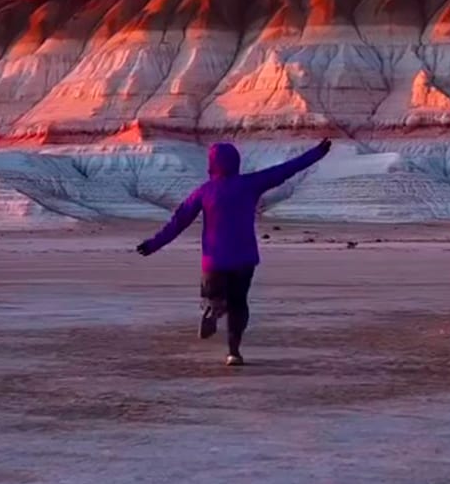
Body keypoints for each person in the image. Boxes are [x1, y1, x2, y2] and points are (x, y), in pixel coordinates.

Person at [136, 138, 333, 366]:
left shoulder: (204, 192)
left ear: (211, 164)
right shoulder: (251, 184)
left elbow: (179, 221)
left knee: (213, 295)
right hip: (244, 258)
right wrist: (317, 153)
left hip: (214, 260)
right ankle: (233, 351)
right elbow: (286, 169)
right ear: (236, 162)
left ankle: (212, 307)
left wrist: (153, 245)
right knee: (239, 304)